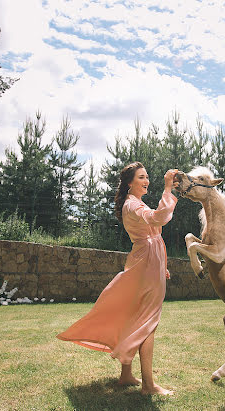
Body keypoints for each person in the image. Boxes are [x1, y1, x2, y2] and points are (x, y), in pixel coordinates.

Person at [57, 162, 179, 395]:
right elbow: (158, 218)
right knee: (148, 322)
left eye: (147, 177)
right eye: (142, 177)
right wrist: (167, 189)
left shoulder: (133, 202)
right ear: (130, 182)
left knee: (133, 315)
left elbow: (153, 233)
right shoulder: (133, 205)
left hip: (145, 260)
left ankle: (126, 374)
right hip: (145, 261)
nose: (147, 181)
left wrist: (161, 265)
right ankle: (149, 385)